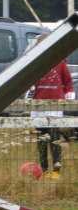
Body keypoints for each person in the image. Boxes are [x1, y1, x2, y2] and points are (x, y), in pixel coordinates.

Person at [30, 34, 75, 180]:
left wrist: (69, 93)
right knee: (41, 138)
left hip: (54, 104)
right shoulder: (35, 62)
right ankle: (43, 169)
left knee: (54, 137)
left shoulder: (60, 62)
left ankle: (56, 170)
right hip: (38, 104)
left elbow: (67, 81)